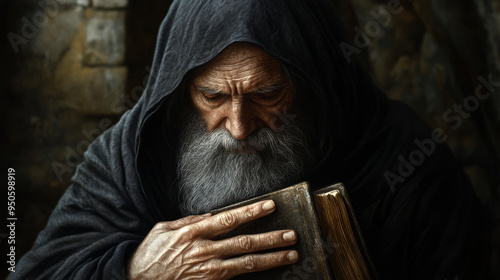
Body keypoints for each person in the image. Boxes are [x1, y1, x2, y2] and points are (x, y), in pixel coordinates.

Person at [13, 0, 487, 279]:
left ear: (314, 82)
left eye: (267, 93)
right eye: (212, 96)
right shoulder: (128, 159)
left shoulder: (406, 160)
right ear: (180, 93)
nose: (239, 125)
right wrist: (133, 268)